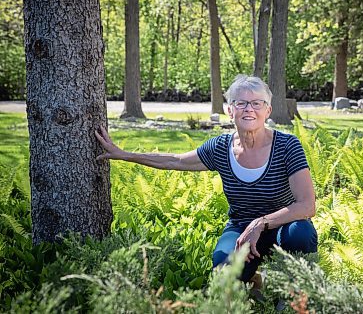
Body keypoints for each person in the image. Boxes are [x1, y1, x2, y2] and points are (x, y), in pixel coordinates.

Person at [95, 74, 317, 284]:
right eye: (241, 104)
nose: (249, 109)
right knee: (223, 275)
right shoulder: (221, 148)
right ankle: (252, 278)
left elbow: (306, 205)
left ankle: (293, 291)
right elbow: (176, 161)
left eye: (257, 103)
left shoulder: (287, 146)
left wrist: (259, 224)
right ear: (230, 111)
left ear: (268, 110)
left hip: (282, 227)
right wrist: (125, 155)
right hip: (240, 229)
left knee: (301, 233)